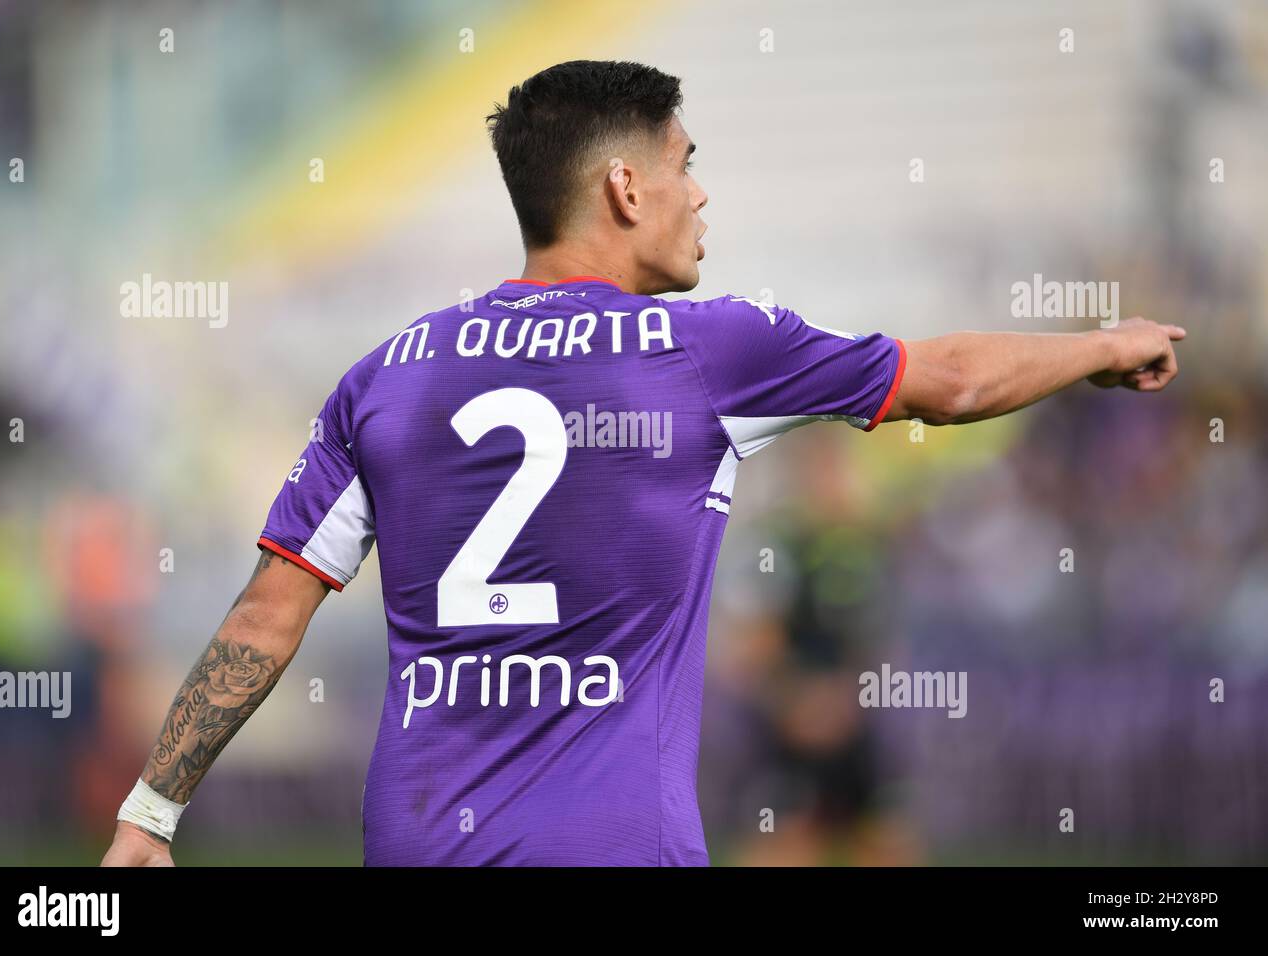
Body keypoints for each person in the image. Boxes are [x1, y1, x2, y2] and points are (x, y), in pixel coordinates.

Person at [102, 60, 1184, 867]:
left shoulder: (385, 375)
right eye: (685, 165)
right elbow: (942, 383)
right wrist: (1099, 344)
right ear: (625, 187)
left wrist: (151, 812)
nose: (699, 194)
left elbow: (261, 617)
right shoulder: (705, 350)